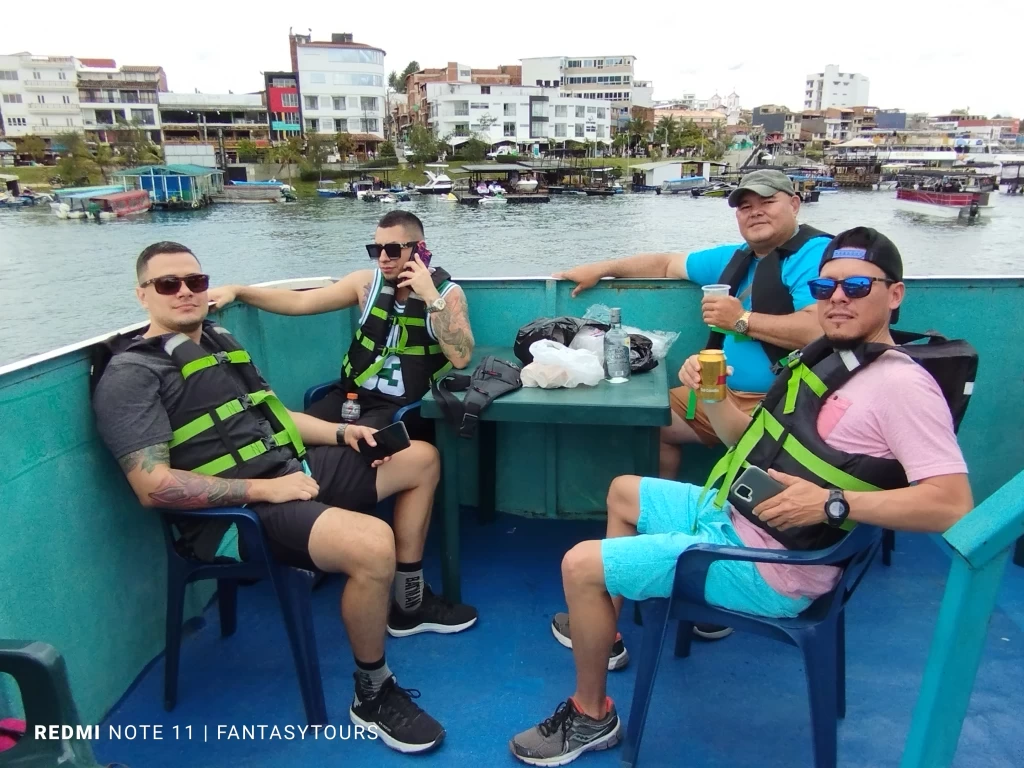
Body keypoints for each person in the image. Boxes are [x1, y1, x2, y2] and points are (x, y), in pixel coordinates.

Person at [510, 228, 974, 765]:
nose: (838, 298)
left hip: (774, 565)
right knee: (623, 492)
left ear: (894, 294)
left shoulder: (901, 387)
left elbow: (951, 504)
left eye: (857, 286)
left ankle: (592, 716)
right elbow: (741, 440)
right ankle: (605, 632)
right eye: (827, 286)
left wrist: (832, 503)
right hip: (736, 516)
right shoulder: (832, 360)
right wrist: (712, 394)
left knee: (580, 564)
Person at [94, 242, 478, 755]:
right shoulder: (131, 375)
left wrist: (344, 436)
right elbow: (153, 486)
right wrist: (266, 490)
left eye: (196, 281)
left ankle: (408, 604)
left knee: (421, 459)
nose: (186, 292)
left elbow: (275, 417)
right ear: (142, 294)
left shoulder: (216, 339)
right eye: (168, 285)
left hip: (288, 471)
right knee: (371, 543)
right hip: (236, 515)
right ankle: (372, 692)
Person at [555, 170, 831, 483]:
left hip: (785, 404)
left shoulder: (816, 254)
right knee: (651, 418)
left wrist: (741, 320)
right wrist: (601, 269)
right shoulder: (736, 258)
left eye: (767, 202)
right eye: (744, 207)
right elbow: (665, 264)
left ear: (795, 204)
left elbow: (819, 329)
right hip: (720, 391)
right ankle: (665, 508)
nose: (755, 212)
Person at [210, 211, 473, 442]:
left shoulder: (447, 294)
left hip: (400, 407)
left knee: (350, 450)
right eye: (375, 249)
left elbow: (461, 358)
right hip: (351, 395)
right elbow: (301, 301)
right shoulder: (366, 284)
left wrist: (429, 295)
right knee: (287, 435)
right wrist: (239, 290)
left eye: (392, 250)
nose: (382, 258)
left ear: (419, 248)